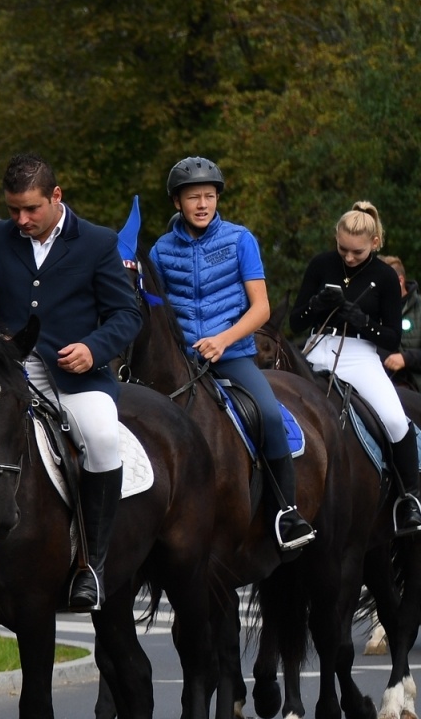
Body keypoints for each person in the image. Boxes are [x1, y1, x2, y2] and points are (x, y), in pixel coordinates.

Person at [0, 153, 142, 611]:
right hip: (7, 369)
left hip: (75, 370)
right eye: (13, 210)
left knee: (101, 439)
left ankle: (90, 566)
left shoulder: (98, 242)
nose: (21, 220)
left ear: (56, 197)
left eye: (31, 209)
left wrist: (93, 349)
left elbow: (126, 315)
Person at [145, 157, 315, 551]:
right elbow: (157, 310)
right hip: (183, 360)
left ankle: (286, 513)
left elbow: (261, 309)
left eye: (209, 196)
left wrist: (222, 340)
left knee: (271, 416)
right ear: (177, 203)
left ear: (217, 198)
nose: (202, 204)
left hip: (234, 355)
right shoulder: (161, 250)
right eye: (193, 197)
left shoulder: (241, 240)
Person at [290, 202, 421, 535]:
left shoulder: (386, 276)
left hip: (361, 354)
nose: (348, 258)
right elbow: (294, 322)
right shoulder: (321, 264)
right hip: (319, 347)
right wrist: (317, 305)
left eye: (357, 252)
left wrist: (363, 322)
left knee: (393, 418)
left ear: (375, 243)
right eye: (342, 249)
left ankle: (410, 498)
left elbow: (391, 339)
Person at [379, 254, 421, 389]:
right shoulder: (372, 310)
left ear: (400, 281)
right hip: (377, 382)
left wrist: (406, 359)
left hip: (412, 386)